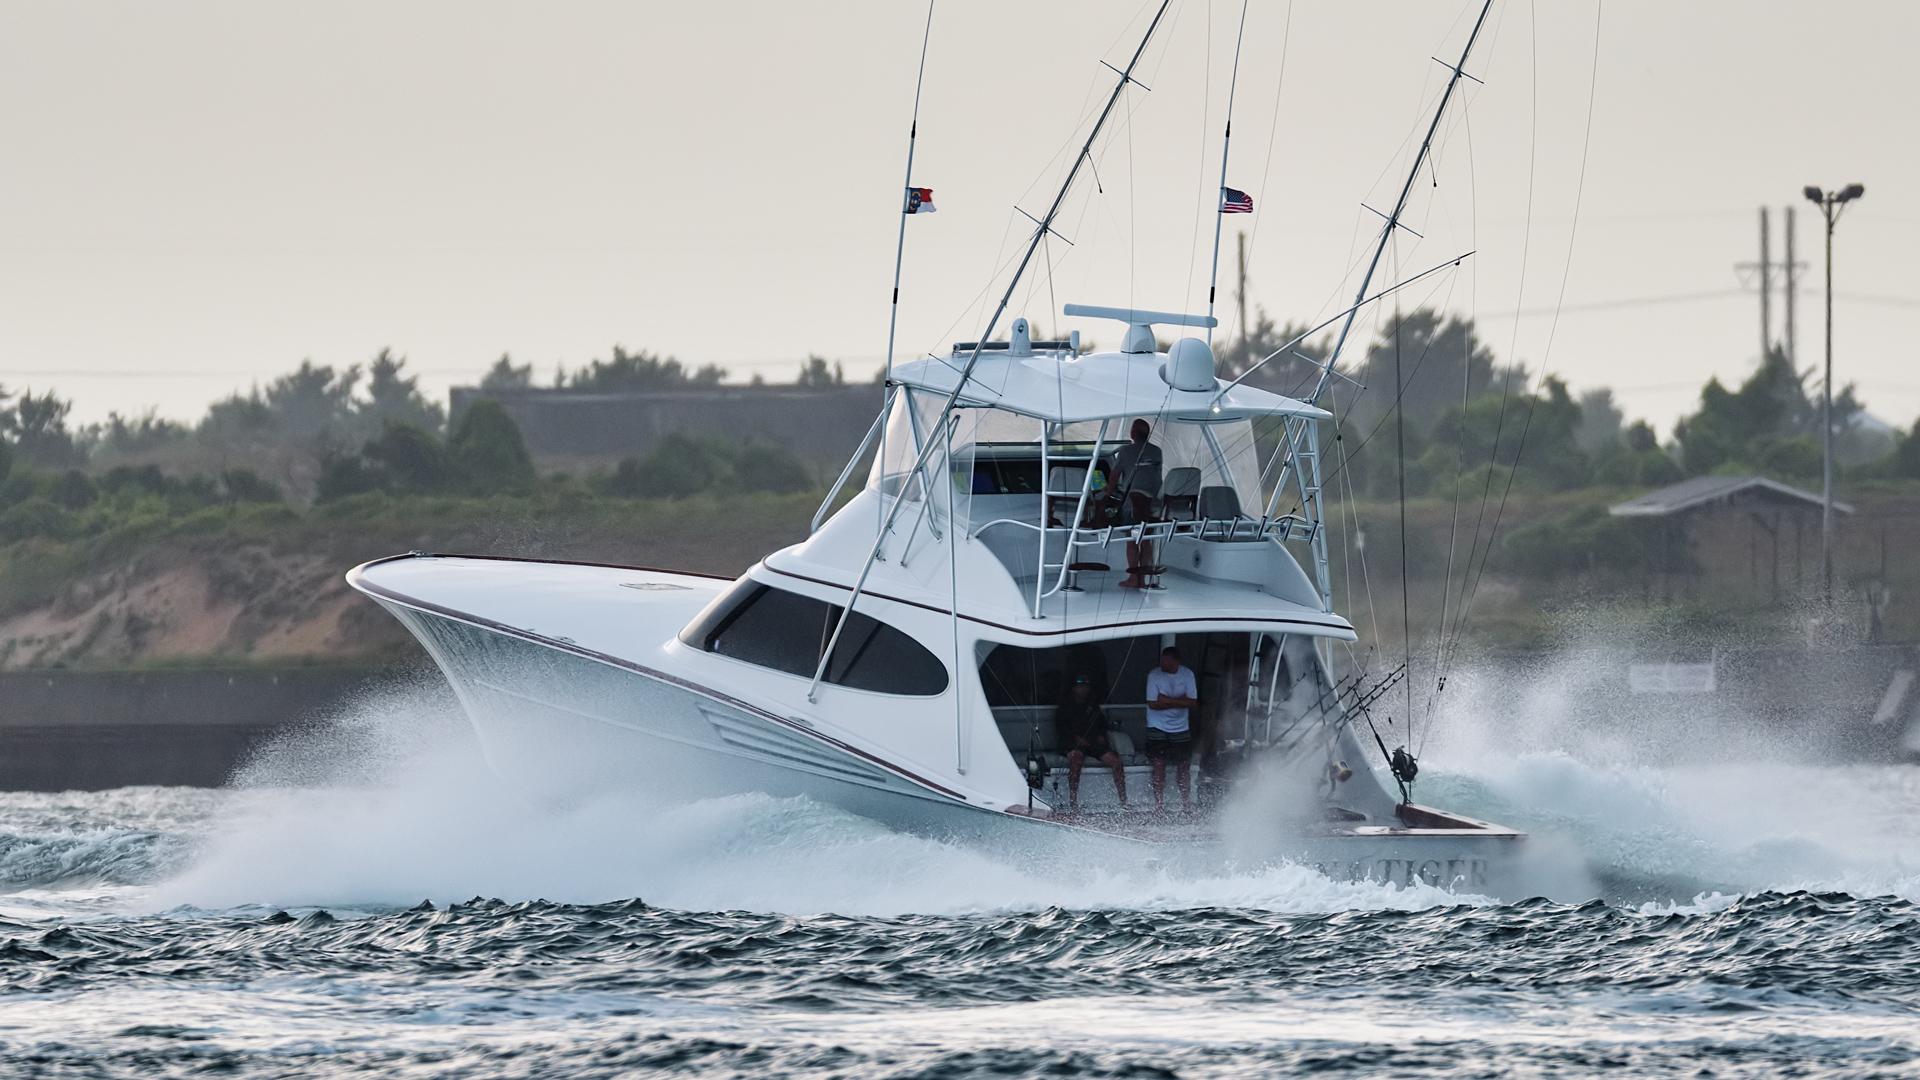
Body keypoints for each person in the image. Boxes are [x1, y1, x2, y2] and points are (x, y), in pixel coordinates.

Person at [1054, 674, 1125, 811]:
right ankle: (1073, 802)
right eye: (1080, 686)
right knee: (1076, 758)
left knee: (1116, 761)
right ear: (1073, 688)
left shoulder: (1093, 706)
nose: (1083, 689)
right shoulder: (1064, 707)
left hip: (1092, 744)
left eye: (1086, 686)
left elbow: (1102, 725)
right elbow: (1062, 730)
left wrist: (1101, 736)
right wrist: (1076, 738)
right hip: (1072, 744)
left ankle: (1123, 802)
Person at [1143, 646, 1198, 811]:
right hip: (1157, 725)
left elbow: (1193, 702)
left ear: (1176, 661)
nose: (1162, 663)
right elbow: (1152, 704)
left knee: (1184, 764)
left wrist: (1166, 700)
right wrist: (1180, 701)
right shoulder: (1154, 675)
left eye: (1166, 660)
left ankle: (1186, 803)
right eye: (1161, 659)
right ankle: (1159, 804)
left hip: (1181, 727)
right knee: (1159, 764)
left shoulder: (1187, 674)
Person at [1110, 418, 1163, 588]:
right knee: (1146, 539)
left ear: (1132, 433)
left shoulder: (1126, 451)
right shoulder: (1157, 452)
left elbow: (1113, 478)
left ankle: (1133, 578)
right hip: (1152, 505)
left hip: (1131, 505)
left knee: (1132, 541)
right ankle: (1143, 578)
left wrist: (1106, 492)